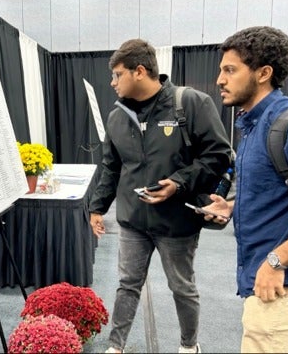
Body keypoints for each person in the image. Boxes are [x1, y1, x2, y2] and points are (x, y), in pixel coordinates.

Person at [88, 38, 232, 353]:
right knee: (127, 286)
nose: (112, 83)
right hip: (133, 221)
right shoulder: (116, 116)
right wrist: (96, 207)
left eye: (117, 75)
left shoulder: (190, 103)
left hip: (177, 221)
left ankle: (188, 346)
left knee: (182, 288)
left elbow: (219, 156)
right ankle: (116, 346)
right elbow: (111, 168)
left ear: (139, 71)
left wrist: (178, 183)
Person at [202, 26, 288, 353]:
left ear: (264, 73)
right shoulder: (254, 124)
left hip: (282, 284)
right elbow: (280, 191)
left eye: (230, 70)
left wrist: (276, 262)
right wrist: (232, 207)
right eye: (221, 70)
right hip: (265, 279)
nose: (220, 79)